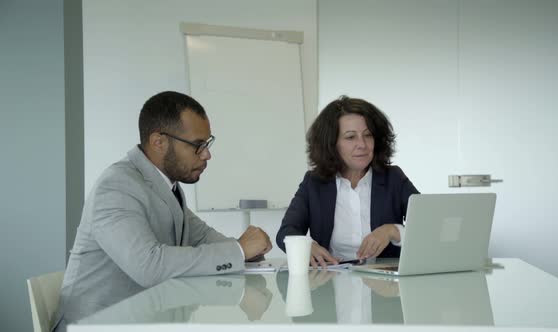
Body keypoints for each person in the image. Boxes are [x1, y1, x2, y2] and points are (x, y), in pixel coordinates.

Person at [53, 91, 272, 330]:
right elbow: (149, 266)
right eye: (198, 146)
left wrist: (248, 251)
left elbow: (202, 237)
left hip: (146, 320)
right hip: (96, 325)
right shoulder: (117, 186)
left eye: (207, 144)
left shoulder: (167, 187)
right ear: (159, 142)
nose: (207, 154)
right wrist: (239, 251)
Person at [276, 96, 419, 267]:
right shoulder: (314, 182)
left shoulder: (393, 177)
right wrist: (307, 247)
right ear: (331, 144)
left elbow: (428, 225)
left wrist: (393, 231)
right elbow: (286, 232)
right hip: (331, 281)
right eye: (351, 137)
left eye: (368, 135)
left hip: (384, 284)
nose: (362, 144)